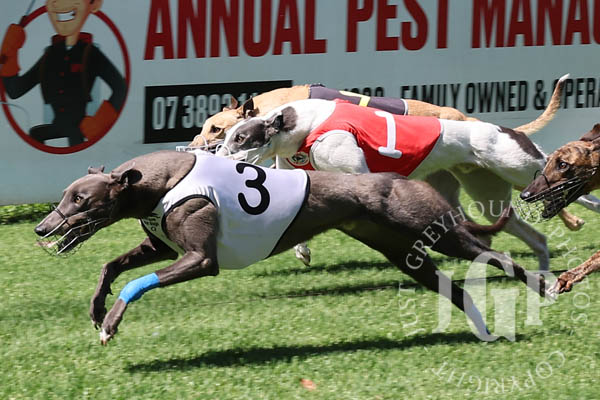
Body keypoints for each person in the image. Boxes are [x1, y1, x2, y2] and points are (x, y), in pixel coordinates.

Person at [0, 0, 126, 146]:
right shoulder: (50, 55)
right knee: (36, 134)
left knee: (75, 141)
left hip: (79, 128)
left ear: (94, 5)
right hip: (57, 125)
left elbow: (121, 88)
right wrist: (10, 54)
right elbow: (15, 90)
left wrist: (99, 121)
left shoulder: (90, 53)